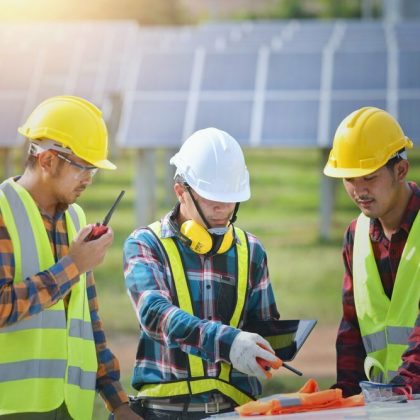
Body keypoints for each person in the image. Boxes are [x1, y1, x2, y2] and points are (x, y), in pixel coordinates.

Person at [123, 127, 281, 419]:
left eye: (230, 199)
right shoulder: (146, 243)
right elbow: (155, 315)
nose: (223, 209)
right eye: (212, 199)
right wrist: (227, 342)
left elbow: (263, 326)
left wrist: (274, 346)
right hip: (165, 409)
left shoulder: (252, 250)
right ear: (181, 191)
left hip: (235, 409)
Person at [0, 96, 141, 420]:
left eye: (93, 167)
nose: (89, 178)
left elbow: (87, 320)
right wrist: (73, 266)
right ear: (48, 160)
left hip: (70, 409)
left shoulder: (76, 219)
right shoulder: (2, 212)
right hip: (12, 409)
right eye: (82, 166)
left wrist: (117, 402)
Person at [323, 106, 420, 397]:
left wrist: (401, 392)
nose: (359, 190)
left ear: (400, 170)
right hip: (386, 401)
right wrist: (346, 393)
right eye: (350, 179)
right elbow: (352, 325)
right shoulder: (356, 234)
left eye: (369, 177)